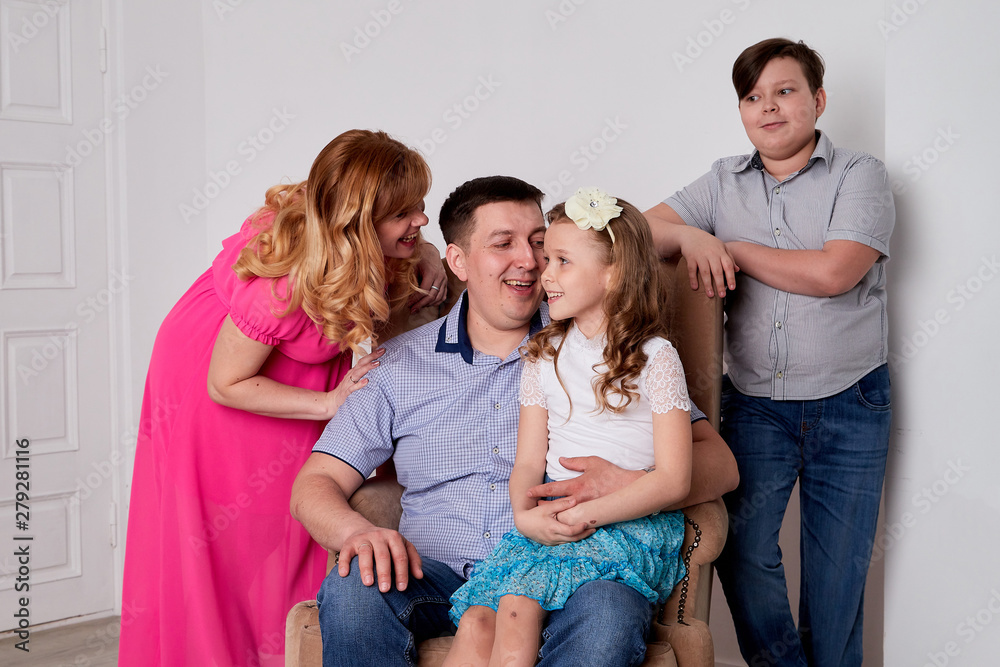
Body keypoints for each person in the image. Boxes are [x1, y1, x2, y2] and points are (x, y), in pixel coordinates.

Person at [290, 175, 739, 667]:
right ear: (458, 261)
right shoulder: (397, 367)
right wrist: (357, 532)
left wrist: (629, 482)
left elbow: (716, 460)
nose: (529, 260)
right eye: (503, 244)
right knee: (355, 583)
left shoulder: (597, 350)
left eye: (541, 246)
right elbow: (317, 481)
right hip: (433, 576)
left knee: (610, 611)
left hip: (568, 573)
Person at [119, 129, 449, 667]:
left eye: (419, 207)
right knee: (233, 539)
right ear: (356, 222)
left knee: (293, 529)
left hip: (287, 371)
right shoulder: (289, 281)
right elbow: (225, 383)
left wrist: (426, 250)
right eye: (403, 214)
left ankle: (282, 650)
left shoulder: (349, 232)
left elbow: (407, 242)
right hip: (226, 385)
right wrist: (327, 405)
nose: (420, 221)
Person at [645, 38, 894, 666]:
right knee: (744, 549)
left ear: (817, 99)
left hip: (851, 400)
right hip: (755, 404)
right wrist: (686, 233)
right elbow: (633, 230)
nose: (768, 107)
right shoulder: (722, 179)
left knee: (836, 575)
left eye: (784, 91)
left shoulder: (858, 174)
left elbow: (833, 272)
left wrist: (722, 244)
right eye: (752, 97)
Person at [443, 189, 694, 667]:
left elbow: (674, 480)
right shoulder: (543, 354)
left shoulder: (657, 358)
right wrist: (523, 516)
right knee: (480, 621)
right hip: (552, 516)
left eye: (561, 261)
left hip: (623, 524)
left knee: (516, 609)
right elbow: (527, 462)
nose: (544, 274)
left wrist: (586, 517)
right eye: (546, 258)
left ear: (613, 273)